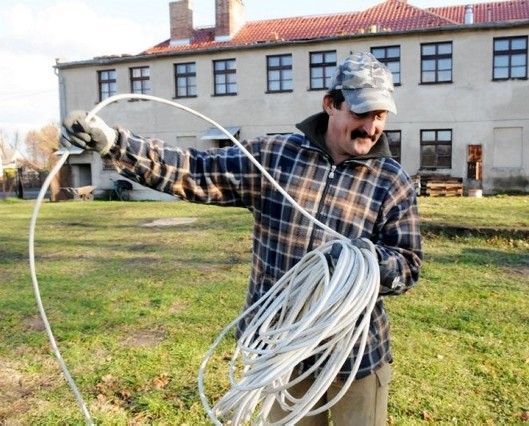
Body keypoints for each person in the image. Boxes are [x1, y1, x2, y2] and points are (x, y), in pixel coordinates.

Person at [63, 51, 423, 425]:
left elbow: (408, 265)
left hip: (356, 355)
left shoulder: (391, 180)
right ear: (331, 104)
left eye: (379, 115)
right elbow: (195, 170)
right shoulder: (274, 158)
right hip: (281, 351)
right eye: (360, 112)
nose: (371, 126)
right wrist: (113, 142)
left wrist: (359, 263)